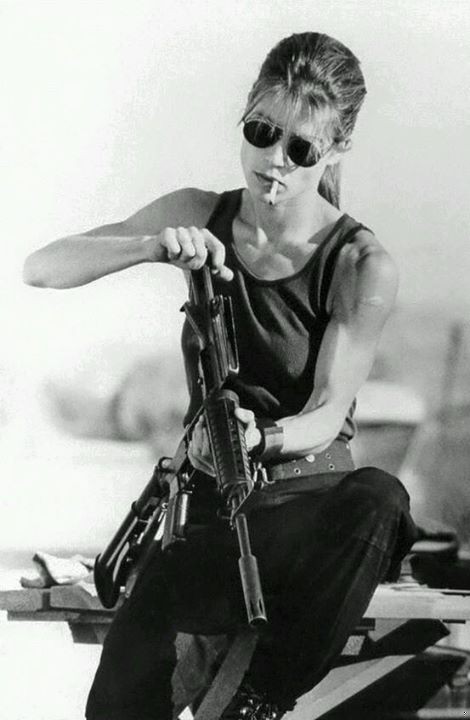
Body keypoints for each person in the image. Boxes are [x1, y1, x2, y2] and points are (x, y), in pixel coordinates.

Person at [24, 31, 418, 720]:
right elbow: (41, 268)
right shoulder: (200, 212)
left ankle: (257, 702)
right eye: (262, 133)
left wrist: (261, 438)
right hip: (209, 522)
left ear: (336, 149)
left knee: (380, 497)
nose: (275, 161)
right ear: (245, 119)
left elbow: (329, 413)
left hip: (307, 523)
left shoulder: (360, 263)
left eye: (302, 149)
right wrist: (150, 246)